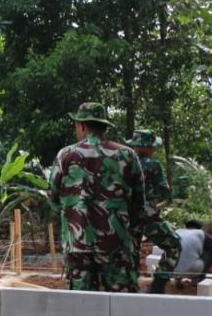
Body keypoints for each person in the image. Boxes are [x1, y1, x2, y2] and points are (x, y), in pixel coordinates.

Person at [50, 103, 144, 292]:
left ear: (82, 126)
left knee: (83, 305)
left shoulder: (65, 155)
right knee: (121, 302)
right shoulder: (127, 155)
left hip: (77, 244)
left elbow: (53, 197)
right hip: (116, 243)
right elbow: (139, 202)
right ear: (104, 126)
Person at [126, 129, 182, 294]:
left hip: (123, 217)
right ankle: (158, 285)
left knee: (131, 252)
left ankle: (130, 288)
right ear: (145, 146)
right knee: (174, 244)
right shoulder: (152, 165)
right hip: (147, 215)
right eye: (152, 147)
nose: (154, 150)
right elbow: (165, 191)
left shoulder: (123, 162)